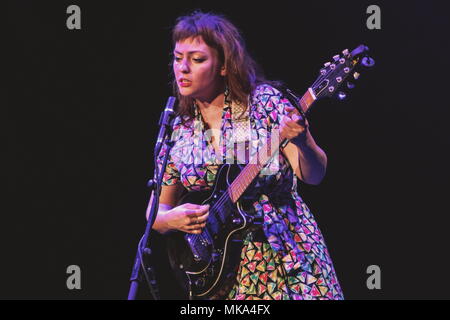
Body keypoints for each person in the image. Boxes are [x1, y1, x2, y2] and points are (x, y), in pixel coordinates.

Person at [148, 10, 344, 300]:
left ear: (224, 65)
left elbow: (314, 175)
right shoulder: (179, 128)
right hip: (220, 277)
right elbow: (155, 212)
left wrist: (303, 142)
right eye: (178, 58)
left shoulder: (262, 103)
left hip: (286, 257)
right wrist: (173, 220)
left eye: (197, 59)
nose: (183, 68)